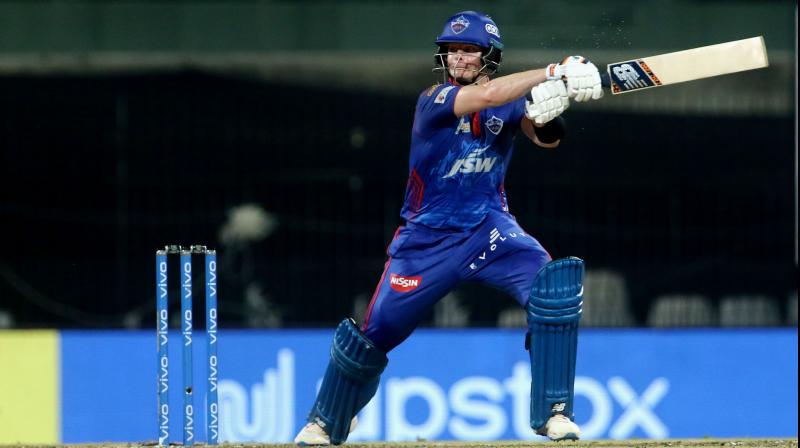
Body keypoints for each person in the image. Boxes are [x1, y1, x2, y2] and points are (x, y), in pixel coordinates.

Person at [294, 10, 603, 446]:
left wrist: (549, 106)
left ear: (487, 55)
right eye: (452, 50)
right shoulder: (433, 100)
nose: (459, 58)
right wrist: (554, 72)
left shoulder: (509, 100)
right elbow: (490, 96)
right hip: (426, 241)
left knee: (552, 287)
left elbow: (546, 137)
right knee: (375, 333)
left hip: (489, 231)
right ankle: (327, 420)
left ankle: (555, 413)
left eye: (469, 50)